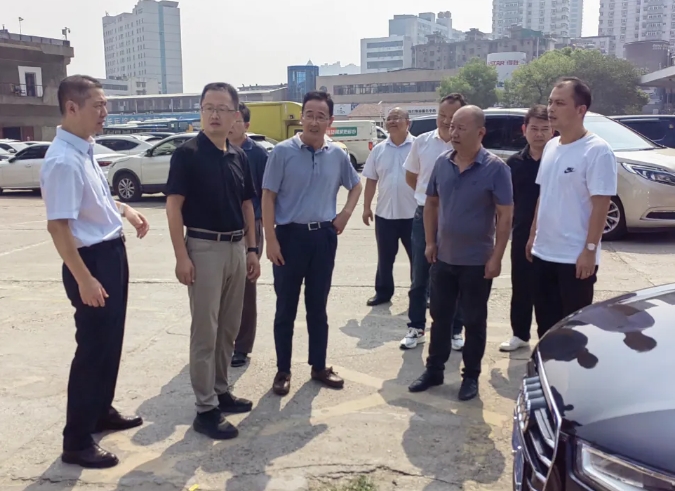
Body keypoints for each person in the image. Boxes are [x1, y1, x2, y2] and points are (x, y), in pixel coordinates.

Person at [40, 75, 150, 468]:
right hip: (90, 262)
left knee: (110, 341)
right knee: (92, 349)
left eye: (105, 104)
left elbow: (95, 201)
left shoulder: (83, 148)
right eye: (98, 105)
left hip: (110, 253)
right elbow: (58, 227)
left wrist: (126, 210)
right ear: (71, 108)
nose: (105, 112)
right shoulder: (62, 160)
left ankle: (101, 410)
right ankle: (76, 441)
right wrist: (84, 278)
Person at [165, 82, 261, 441]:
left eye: (222, 108)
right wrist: (181, 256)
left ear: (236, 115)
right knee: (205, 331)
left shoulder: (238, 156)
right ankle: (205, 409)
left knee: (229, 328)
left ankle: (221, 390)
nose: (215, 114)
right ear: (201, 111)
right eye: (208, 108)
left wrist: (252, 249)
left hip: (236, 248)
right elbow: (173, 206)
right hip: (203, 248)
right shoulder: (187, 154)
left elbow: (248, 205)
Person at [408, 105, 514, 401]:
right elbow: (431, 203)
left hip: (477, 263)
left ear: (480, 132)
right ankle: (434, 370)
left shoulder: (496, 168)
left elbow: (505, 215)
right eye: (451, 126)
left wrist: (497, 256)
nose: (453, 132)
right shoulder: (442, 163)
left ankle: (471, 377)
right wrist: (430, 242)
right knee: (439, 317)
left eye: (460, 128)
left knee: (474, 322)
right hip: (443, 258)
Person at [262, 90, 362, 396]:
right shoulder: (282, 152)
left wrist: (345, 214)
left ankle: (319, 366)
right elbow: (268, 196)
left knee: (318, 307)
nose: (314, 122)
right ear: (301, 118)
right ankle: (283, 370)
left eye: (321, 116)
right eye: (309, 115)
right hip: (288, 238)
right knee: (285, 309)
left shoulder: (337, 154)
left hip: (323, 238)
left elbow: (356, 186)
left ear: (330, 121)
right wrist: (270, 239)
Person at [526, 77, 617, 337]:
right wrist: (533, 236)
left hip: (574, 259)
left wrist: (589, 250)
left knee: (574, 332)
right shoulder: (551, 146)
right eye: (550, 102)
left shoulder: (597, 150)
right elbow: (544, 194)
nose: (551, 109)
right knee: (546, 329)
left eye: (560, 103)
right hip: (544, 253)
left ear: (580, 110)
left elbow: (601, 205)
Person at [401, 94, 466, 351]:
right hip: (424, 216)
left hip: (456, 218)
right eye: (442, 115)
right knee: (420, 275)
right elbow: (411, 176)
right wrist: (427, 199)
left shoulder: (466, 144)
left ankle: (455, 330)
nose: (446, 121)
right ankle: (416, 327)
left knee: (455, 276)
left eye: (452, 117)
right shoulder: (422, 142)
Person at [499, 105, 553, 352]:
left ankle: (548, 337)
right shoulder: (514, 163)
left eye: (545, 129)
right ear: (524, 129)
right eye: (534, 128)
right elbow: (506, 202)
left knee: (546, 290)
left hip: (551, 233)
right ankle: (520, 334)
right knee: (521, 285)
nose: (539, 134)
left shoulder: (557, 160)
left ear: (552, 131)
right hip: (521, 232)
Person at [361, 108, 417, 306]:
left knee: (418, 259)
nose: (392, 121)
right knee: (385, 258)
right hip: (385, 214)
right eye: (389, 118)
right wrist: (366, 207)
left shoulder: (418, 146)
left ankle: (421, 293)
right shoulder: (379, 149)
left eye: (397, 118)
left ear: (408, 122)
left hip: (413, 215)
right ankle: (383, 293)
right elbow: (371, 180)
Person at [227, 102, 268, 367]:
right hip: (221, 228)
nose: (231, 124)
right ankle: (221, 340)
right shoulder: (215, 150)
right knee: (222, 287)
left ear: (247, 125)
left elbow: (268, 194)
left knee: (245, 286)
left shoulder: (258, 154)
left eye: (237, 120)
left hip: (251, 226)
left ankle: (242, 346)